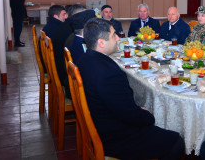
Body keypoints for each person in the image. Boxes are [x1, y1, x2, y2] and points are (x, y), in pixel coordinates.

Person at [77, 18, 185, 159]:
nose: (118, 38)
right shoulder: (107, 73)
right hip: (116, 138)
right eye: (113, 35)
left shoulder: (85, 60)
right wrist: (148, 116)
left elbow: (119, 104)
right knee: (176, 142)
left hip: (100, 123)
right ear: (101, 42)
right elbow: (127, 114)